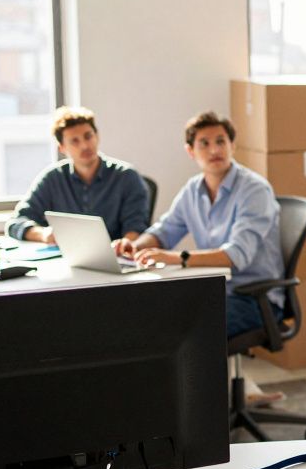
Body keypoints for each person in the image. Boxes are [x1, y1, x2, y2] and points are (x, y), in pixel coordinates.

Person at [115, 111, 285, 339]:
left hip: (253, 299)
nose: (214, 150)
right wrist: (134, 246)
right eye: (204, 143)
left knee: (182, 330)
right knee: (149, 314)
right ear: (190, 151)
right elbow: (164, 231)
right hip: (213, 290)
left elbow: (236, 256)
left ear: (232, 146)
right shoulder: (193, 190)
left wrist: (175, 258)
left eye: (221, 142)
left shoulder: (254, 190)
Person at [6, 106, 150, 244]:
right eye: (74, 141)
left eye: (88, 136)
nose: (85, 146)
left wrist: (125, 245)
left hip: (113, 256)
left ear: (97, 136)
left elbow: (137, 228)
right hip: (64, 257)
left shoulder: (126, 177)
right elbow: (15, 223)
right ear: (62, 148)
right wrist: (44, 235)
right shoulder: (52, 179)